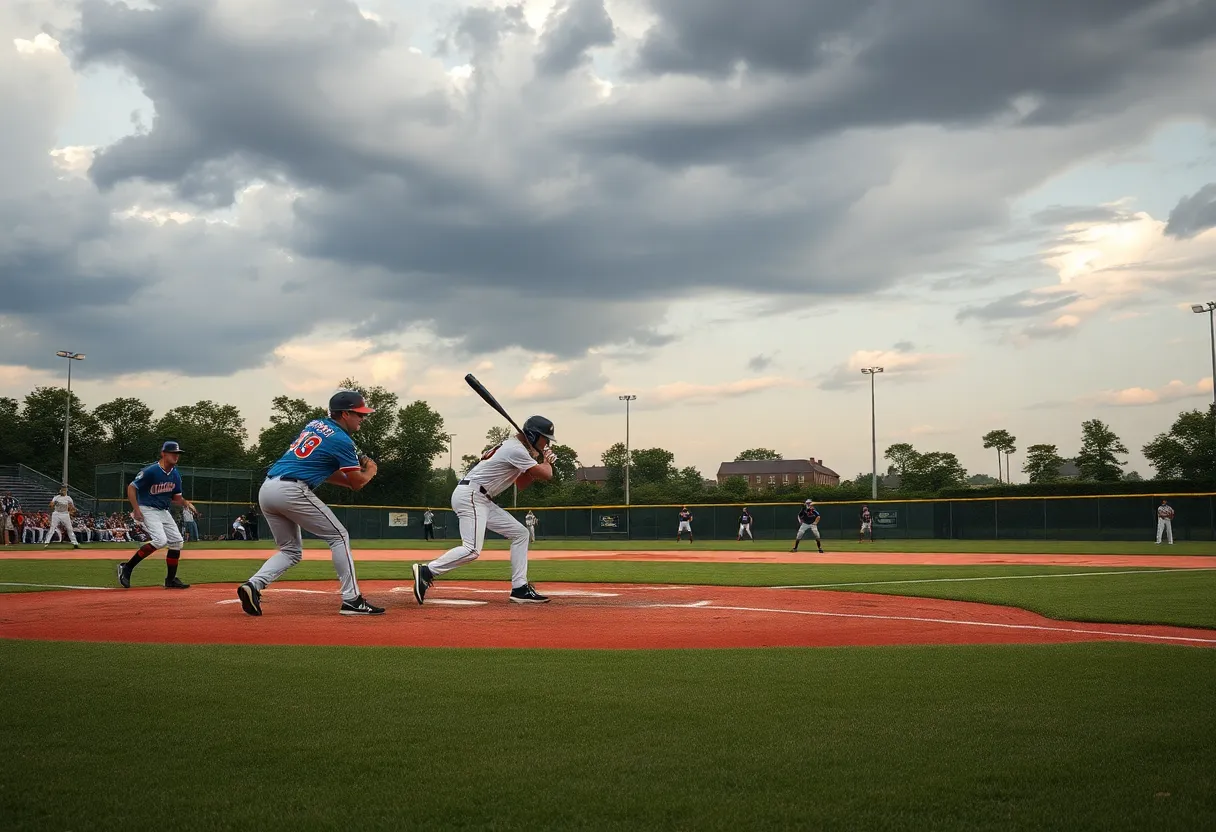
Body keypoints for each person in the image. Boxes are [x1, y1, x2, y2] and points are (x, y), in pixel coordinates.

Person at [237, 390, 385, 617]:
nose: (362, 418)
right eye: (358, 414)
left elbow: (325, 470)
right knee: (339, 536)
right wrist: (370, 472)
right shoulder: (342, 440)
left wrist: (355, 474)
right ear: (345, 414)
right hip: (291, 490)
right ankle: (352, 600)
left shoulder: (315, 424)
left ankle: (253, 585)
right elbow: (357, 483)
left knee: (290, 550)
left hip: (267, 488)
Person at [411, 416, 556, 605]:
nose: (546, 443)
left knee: (521, 533)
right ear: (533, 436)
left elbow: (522, 482)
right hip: (472, 495)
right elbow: (546, 474)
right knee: (471, 549)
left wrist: (535, 458)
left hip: (480, 498)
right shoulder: (516, 449)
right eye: (545, 438)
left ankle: (520, 588)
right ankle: (427, 571)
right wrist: (546, 461)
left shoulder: (516, 448)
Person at [117, 441, 200, 589]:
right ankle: (127, 568)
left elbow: (176, 498)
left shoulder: (175, 474)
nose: (176, 456)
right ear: (164, 454)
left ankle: (170, 580)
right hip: (146, 508)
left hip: (162, 510)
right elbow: (131, 487)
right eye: (173, 453)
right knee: (161, 540)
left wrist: (187, 503)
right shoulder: (151, 471)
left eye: (178, 454)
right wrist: (136, 509)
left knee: (176, 542)